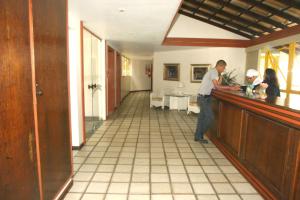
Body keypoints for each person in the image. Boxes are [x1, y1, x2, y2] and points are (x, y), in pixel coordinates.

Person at [195, 60, 240, 143]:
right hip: (203, 98)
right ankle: (199, 135)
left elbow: (216, 86)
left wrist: (220, 76)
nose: (224, 70)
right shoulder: (214, 72)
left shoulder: (215, 73)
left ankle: (198, 136)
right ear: (220, 66)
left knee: (202, 118)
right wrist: (231, 88)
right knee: (210, 117)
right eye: (223, 68)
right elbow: (217, 87)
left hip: (206, 97)